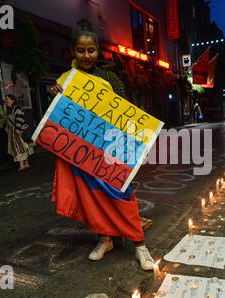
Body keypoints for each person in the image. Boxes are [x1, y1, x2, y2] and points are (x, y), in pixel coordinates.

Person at [49, 20, 155, 271]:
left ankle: (140, 245)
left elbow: (125, 115)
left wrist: (138, 143)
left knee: (122, 195)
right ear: (73, 51)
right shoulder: (64, 80)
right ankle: (104, 239)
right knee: (92, 200)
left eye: (91, 50)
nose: (87, 55)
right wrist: (56, 98)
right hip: (82, 153)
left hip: (110, 150)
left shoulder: (111, 80)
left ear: (98, 50)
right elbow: (59, 121)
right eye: (81, 50)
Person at [5, 94, 33, 171]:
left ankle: (22, 165)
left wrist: (17, 131)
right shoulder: (13, 109)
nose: (6, 101)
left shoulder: (16, 109)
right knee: (25, 147)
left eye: (7, 99)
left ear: (13, 100)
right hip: (21, 131)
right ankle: (26, 163)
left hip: (19, 132)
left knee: (19, 148)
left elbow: (19, 120)